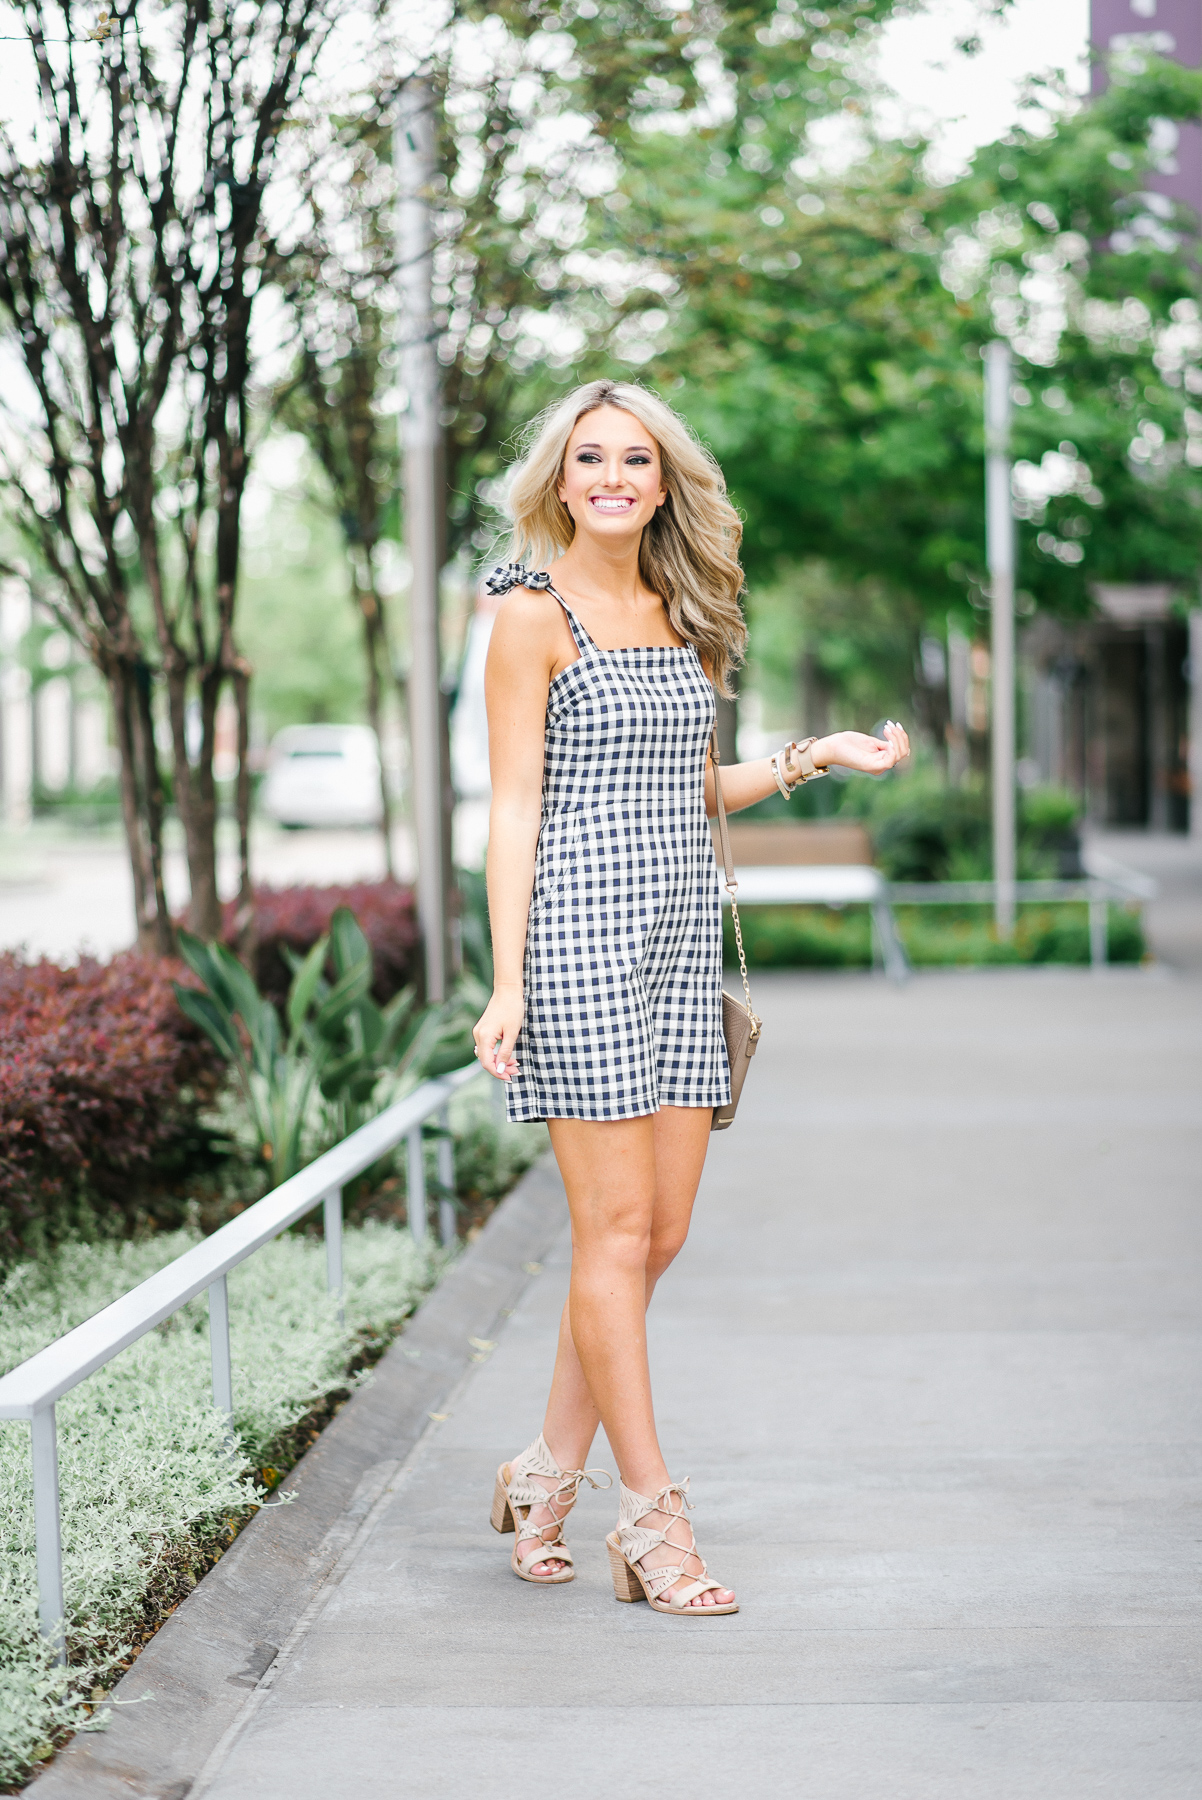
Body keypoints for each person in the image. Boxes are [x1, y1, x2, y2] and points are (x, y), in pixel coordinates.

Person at [473, 378, 909, 1617]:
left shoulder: (682, 612)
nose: (611, 477)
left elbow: (684, 789)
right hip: (577, 947)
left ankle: (542, 1472)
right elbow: (515, 805)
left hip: (676, 948)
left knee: (650, 1241)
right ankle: (652, 1520)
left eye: (635, 461)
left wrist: (808, 757)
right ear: (559, 480)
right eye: (589, 458)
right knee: (611, 1239)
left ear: (663, 483)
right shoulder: (528, 612)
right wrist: (505, 982)